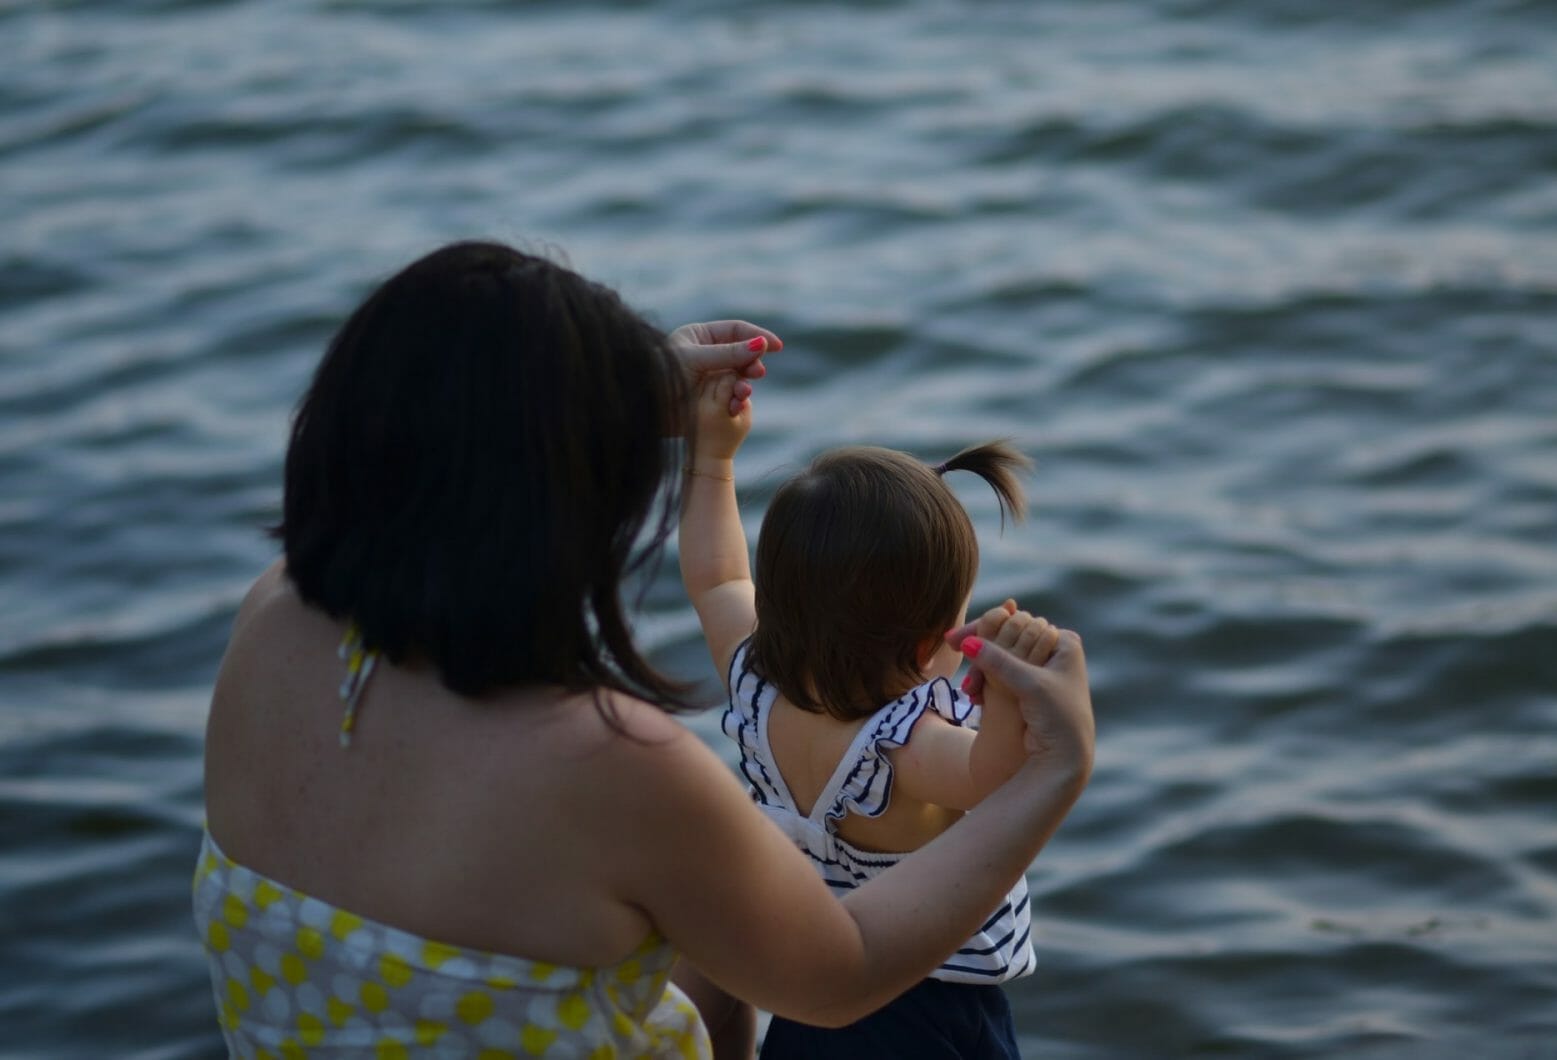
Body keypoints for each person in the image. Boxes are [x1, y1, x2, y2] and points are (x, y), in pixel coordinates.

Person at [194, 240, 1096, 1059]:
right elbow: (844, 973)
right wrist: (1054, 771)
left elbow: (704, 576)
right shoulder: (612, 769)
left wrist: (611, 399)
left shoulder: (274, 620)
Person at [678, 368, 1060, 1058]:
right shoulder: (907, 749)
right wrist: (1007, 683)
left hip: (814, 990)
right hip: (927, 1007)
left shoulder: (754, 683)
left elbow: (718, 577)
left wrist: (712, 459)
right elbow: (1001, 779)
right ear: (926, 642)